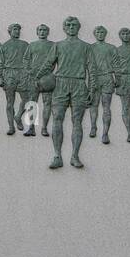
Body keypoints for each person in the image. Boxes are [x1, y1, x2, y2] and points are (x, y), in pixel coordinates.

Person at [41, 15, 93, 170]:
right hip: (61, 83)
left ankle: (75, 156)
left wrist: (91, 88)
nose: (71, 27)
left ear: (78, 27)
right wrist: (36, 78)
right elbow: (48, 65)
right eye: (68, 25)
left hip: (78, 83)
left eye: (74, 25)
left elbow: (92, 70)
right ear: (64, 28)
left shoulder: (86, 47)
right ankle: (57, 155)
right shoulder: (58, 45)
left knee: (77, 121)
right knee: (57, 118)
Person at [23, 22, 57, 137]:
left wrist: (52, 73)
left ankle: (44, 128)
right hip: (33, 78)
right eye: (40, 30)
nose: (42, 32)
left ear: (48, 32)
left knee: (47, 103)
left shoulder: (53, 45)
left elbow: (57, 60)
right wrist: (29, 71)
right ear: (37, 32)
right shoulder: (32, 45)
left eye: (44, 30)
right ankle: (31, 128)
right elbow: (26, 59)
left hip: (47, 78)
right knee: (32, 103)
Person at [0, 23, 29, 136]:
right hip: (9, 73)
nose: (17, 31)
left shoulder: (25, 45)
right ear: (10, 31)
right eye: (14, 29)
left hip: (22, 74)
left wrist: (29, 74)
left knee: (26, 99)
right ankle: (11, 127)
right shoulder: (4, 46)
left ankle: (18, 116)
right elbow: (0, 63)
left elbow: (29, 60)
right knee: (10, 102)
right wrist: (0, 77)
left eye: (18, 29)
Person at [88, 25, 117, 143]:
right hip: (94, 77)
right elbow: (87, 64)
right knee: (93, 105)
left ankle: (105, 133)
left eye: (102, 32)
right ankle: (93, 126)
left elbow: (116, 64)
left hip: (107, 77)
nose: (100, 34)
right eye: (98, 32)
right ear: (95, 34)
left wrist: (117, 77)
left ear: (105, 34)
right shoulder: (90, 48)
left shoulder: (111, 48)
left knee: (106, 106)